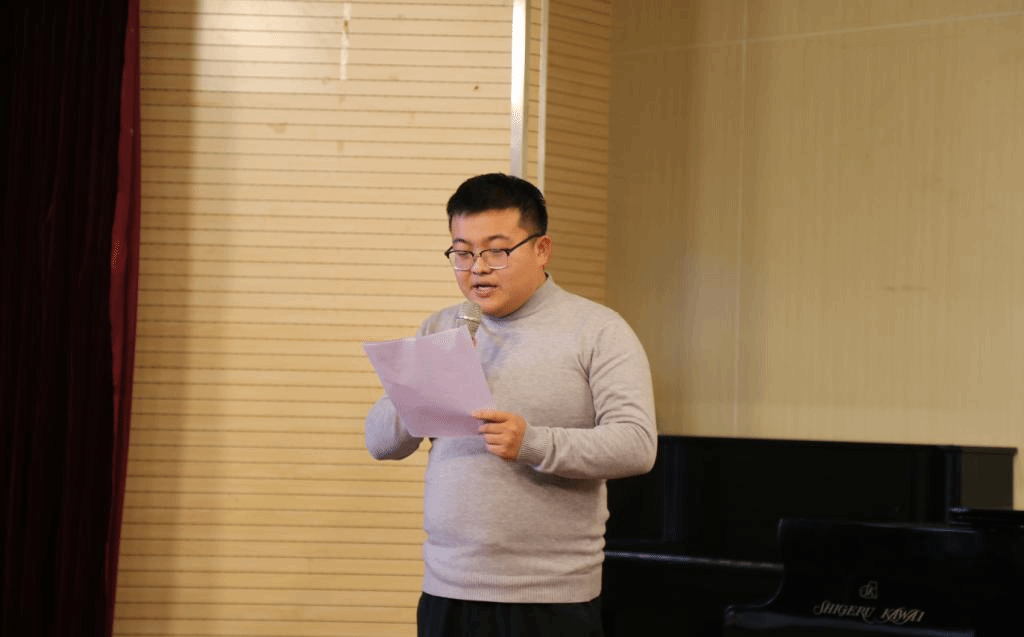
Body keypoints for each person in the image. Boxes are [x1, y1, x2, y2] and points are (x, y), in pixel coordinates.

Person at [364, 173, 657, 637]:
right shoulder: (441, 328)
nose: (478, 268)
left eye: (497, 251)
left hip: (551, 595)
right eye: (463, 253)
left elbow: (637, 445)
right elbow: (381, 444)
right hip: (448, 587)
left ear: (541, 249)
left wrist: (533, 443)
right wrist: (425, 382)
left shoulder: (598, 330)